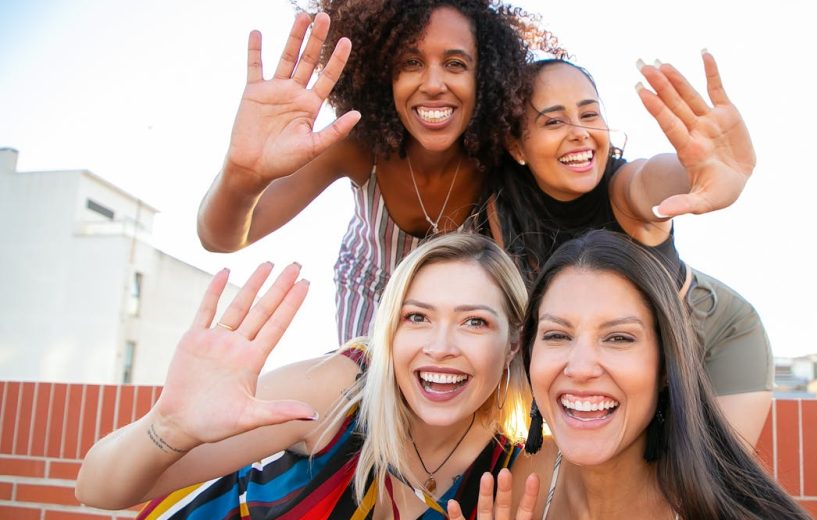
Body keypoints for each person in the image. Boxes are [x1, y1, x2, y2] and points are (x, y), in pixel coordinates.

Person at [447, 230, 817, 520]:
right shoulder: (518, 485)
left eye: (619, 339)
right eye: (557, 335)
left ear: (666, 367)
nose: (581, 367)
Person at [76, 233, 530, 520]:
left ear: (512, 342)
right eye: (417, 318)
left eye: (475, 322)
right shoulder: (337, 391)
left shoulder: (497, 473)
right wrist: (167, 427)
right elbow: (97, 489)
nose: (441, 346)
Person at [196, 0, 562, 345]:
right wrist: (242, 174)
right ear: (382, 76)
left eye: (455, 64)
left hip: (461, 308)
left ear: (484, 79)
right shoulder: (357, 146)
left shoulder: (498, 158)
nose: (434, 84)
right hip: (371, 301)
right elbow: (222, 237)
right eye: (410, 63)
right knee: (367, 398)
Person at [480, 55, 772, 444]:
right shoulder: (504, 207)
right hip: (624, 356)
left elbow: (652, 180)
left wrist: (695, 173)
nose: (580, 132)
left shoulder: (623, 188)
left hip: (713, 336)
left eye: (589, 115)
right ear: (517, 144)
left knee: (705, 491)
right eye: (553, 121)